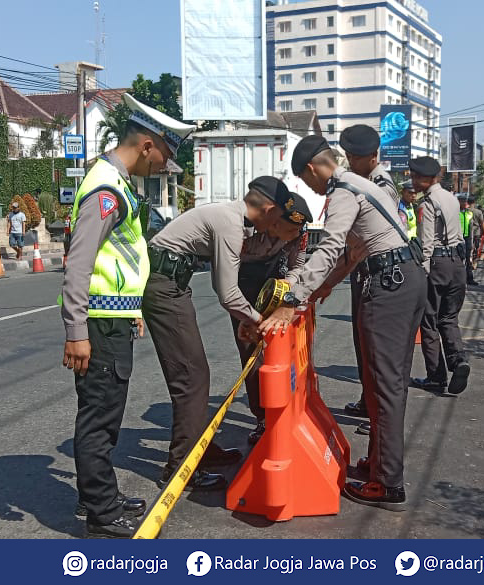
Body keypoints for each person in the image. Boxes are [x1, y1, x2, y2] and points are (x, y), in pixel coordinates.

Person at [258, 135, 426, 511]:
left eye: (306, 180)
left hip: (389, 286)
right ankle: (381, 462)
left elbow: (332, 246)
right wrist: (321, 288)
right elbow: (352, 254)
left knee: (384, 385)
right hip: (404, 279)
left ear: (315, 168)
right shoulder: (363, 185)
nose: (310, 189)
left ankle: (388, 483)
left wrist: (293, 299)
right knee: (385, 381)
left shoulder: (344, 191)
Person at [60, 93, 191, 539]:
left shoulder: (117, 183)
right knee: (100, 418)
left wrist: (132, 308)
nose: (163, 169)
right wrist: (76, 331)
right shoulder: (107, 190)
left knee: (105, 414)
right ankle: (101, 514)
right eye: (165, 158)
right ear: (149, 145)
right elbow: (79, 263)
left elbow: (121, 259)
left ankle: (100, 497)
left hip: (112, 317)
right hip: (97, 325)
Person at [144, 175, 309, 492]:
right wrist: (259, 321)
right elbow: (228, 292)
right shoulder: (231, 224)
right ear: (270, 209)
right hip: (163, 284)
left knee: (195, 374)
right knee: (191, 376)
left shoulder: (234, 220)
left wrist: (251, 319)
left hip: (173, 282)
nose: (276, 228)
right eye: (277, 218)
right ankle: (182, 467)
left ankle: (198, 450)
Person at [233, 184, 313, 445]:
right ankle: (261, 417)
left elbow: (297, 265)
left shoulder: (299, 233)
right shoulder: (246, 229)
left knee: (280, 349)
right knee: (252, 356)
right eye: (289, 229)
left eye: (296, 232)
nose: (293, 236)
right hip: (243, 283)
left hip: (275, 284)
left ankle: (286, 408)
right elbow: (227, 265)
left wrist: (285, 290)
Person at [338, 124, 399, 425]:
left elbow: (364, 234)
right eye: (348, 156)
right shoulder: (362, 179)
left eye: (356, 157)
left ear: (373, 156)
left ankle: (376, 412)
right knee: (362, 342)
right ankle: (368, 402)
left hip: (376, 270)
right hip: (363, 269)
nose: (350, 162)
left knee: (374, 348)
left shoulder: (381, 183)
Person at [410, 157, 471, 395]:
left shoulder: (428, 203)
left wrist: (422, 273)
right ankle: (458, 361)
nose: (413, 182)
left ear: (428, 179)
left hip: (437, 263)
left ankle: (436, 376)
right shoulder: (451, 198)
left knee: (429, 320)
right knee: (449, 318)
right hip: (457, 263)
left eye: (416, 177)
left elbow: (426, 244)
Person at [458, 195, 478, 286]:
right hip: (457, 239)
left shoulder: (469, 213)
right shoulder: (455, 212)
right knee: (459, 259)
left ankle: (469, 278)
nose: (466, 203)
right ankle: (458, 279)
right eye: (463, 201)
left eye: (466, 201)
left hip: (467, 238)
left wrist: (471, 241)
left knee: (468, 259)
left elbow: (471, 228)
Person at [468, 196, 484, 271]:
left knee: (468, 247)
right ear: (474, 202)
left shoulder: (465, 211)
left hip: (467, 232)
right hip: (476, 232)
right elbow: (482, 223)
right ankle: (474, 262)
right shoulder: (478, 212)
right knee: (476, 247)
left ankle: (468, 261)